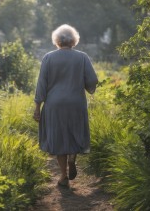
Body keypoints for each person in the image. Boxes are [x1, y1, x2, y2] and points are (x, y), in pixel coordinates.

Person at [33, 24, 98, 187]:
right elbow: (92, 81)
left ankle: (63, 176)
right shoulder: (82, 57)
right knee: (75, 131)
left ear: (56, 40)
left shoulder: (48, 57)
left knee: (59, 137)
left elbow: (42, 84)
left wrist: (37, 107)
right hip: (76, 103)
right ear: (74, 40)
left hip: (54, 104)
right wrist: (88, 87)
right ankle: (72, 158)